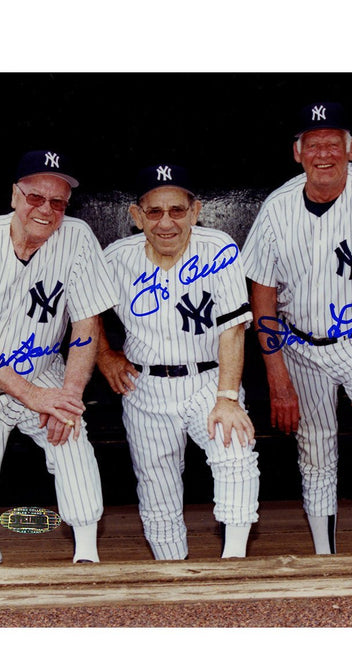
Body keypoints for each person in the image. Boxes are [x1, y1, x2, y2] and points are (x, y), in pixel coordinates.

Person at [241, 102, 352, 554]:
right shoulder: (278, 206)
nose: (324, 153)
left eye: (334, 143)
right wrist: (277, 377)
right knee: (314, 446)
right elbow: (261, 293)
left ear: (351, 148)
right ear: (297, 153)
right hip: (299, 342)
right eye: (313, 144)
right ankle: (324, 553)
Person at [0, 150, 117, 567]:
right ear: (15, 195)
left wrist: (67, 395)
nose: (46, 210)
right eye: (35, 197)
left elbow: (86, 323)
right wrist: (34, 397)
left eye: (57, 202)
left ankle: (86, 562)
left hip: (41, 371)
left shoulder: (78, 236)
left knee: (72, 443)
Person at [96, 164, 259, 560]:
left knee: (235, 454)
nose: (166, 222)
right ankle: (172, 576)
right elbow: (84, 310)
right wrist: (104, 354)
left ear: (196, 211)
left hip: (209, 379)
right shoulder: (116, 258)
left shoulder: (218, 248)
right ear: (136, 216)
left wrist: (227, 397)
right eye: (154, 212)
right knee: (157, 490)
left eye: (177, 210)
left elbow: (233, 330)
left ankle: (234, 564)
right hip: (145, 385)